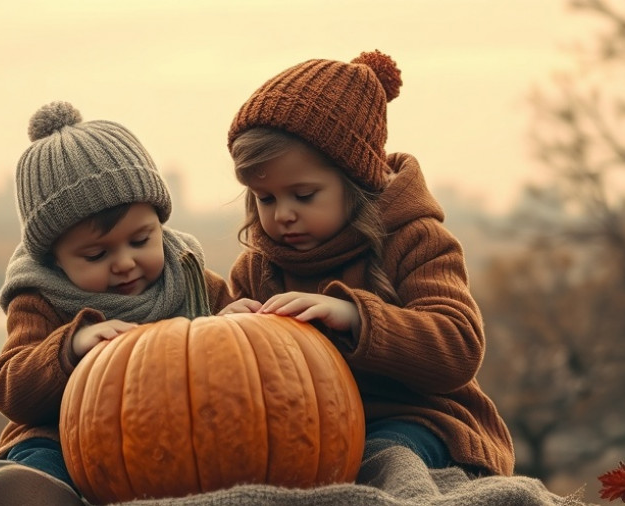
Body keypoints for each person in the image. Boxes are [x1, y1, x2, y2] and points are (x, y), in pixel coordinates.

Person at [218, 50, 515, 477]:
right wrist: (231, 327)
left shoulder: (415, 240)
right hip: (308, 431)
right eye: (266, 199)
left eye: (303, 195)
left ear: (355, 181)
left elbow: (459, 346)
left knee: (380, 462)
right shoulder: (258, 268)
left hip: (418, 421)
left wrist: (357, 318)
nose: (283, 214)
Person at [0, 101, 234, 506]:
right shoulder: (39, 299)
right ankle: (40, 494)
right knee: (39, 455)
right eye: (96, 256)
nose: (125, 263)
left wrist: (237, 322)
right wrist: (70, 346)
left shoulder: (189, 279)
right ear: (54, 260)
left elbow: (250, 361)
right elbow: (11, 388)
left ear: (159, 223)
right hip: (73, 438)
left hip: (185, 435)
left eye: (140, 240)